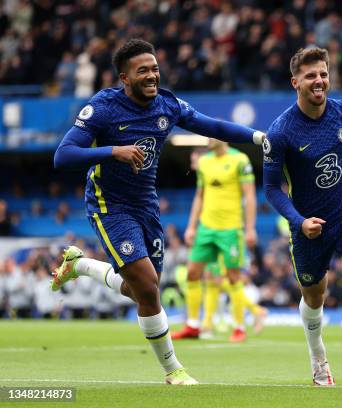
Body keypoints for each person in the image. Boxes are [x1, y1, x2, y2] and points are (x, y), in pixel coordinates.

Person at [51, 39, 264, 385]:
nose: (152, 76)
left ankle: (81, 265)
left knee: (139, 291)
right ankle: (173, 371)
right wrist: (112, 151)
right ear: (124, 77)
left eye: (154, 69)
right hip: (110, 205)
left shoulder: (167, 104)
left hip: (146, 205)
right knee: (148, 288)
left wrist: (259, 138)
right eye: (143, 71)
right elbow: (63, 155)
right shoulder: (104, 106)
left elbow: (214, 127)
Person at [263, 47, 342, 386]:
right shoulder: (280, 132)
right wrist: (299, 221)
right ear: (295, 82)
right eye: (310, 76)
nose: (319, 81)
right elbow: (272, 189)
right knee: (314, 298)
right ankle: (318, 357)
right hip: (307, 226)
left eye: (323, 74)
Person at [171, 139, 266, 342]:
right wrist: (191, 226)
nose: (209, 140)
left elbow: (250, 196)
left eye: (212, 136)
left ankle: (239, 327)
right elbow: (199, 195)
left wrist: (249, 228)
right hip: (206, 228)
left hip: (230, 230)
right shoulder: (204, 161)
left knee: (233, 277)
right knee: (193, 274)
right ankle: (193, 325)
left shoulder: (240, 160)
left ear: (223, 138)